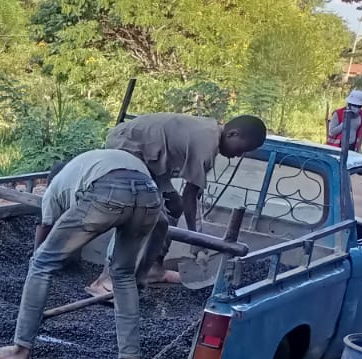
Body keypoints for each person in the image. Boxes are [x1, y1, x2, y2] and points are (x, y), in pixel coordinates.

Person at [0, 149, 162, 359]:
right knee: (123, 274)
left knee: (41, 263)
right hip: (150, 194)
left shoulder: (55, 188)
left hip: (108, 191)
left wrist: (37, 259)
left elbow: (45, 230)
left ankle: (20, 350)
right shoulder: (89, 165)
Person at [86, 113, 267, 296]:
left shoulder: (211, 133)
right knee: (141, 212)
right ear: (233, 134)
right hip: (128, 147)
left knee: (173, 205)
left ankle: (153, 268)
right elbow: (190, 197)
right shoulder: (206, 144)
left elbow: (187, 197)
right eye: (244, 148)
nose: (239, 155)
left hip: (151, 156)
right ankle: (107, 278)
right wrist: (197, 244)